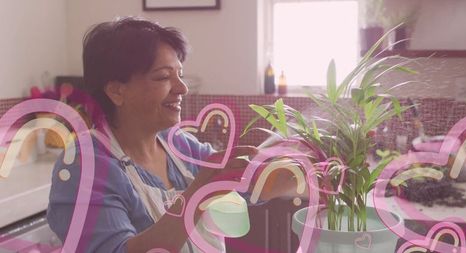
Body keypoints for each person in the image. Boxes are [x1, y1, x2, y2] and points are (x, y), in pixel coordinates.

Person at [47, 17, 298, 253]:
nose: (182, 88)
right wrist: (199, 191)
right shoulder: (84, 168)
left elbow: (251, 183)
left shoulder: (177, 144)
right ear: (116, 91)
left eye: (180, 74)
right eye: (164, 77)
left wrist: (311, 173)